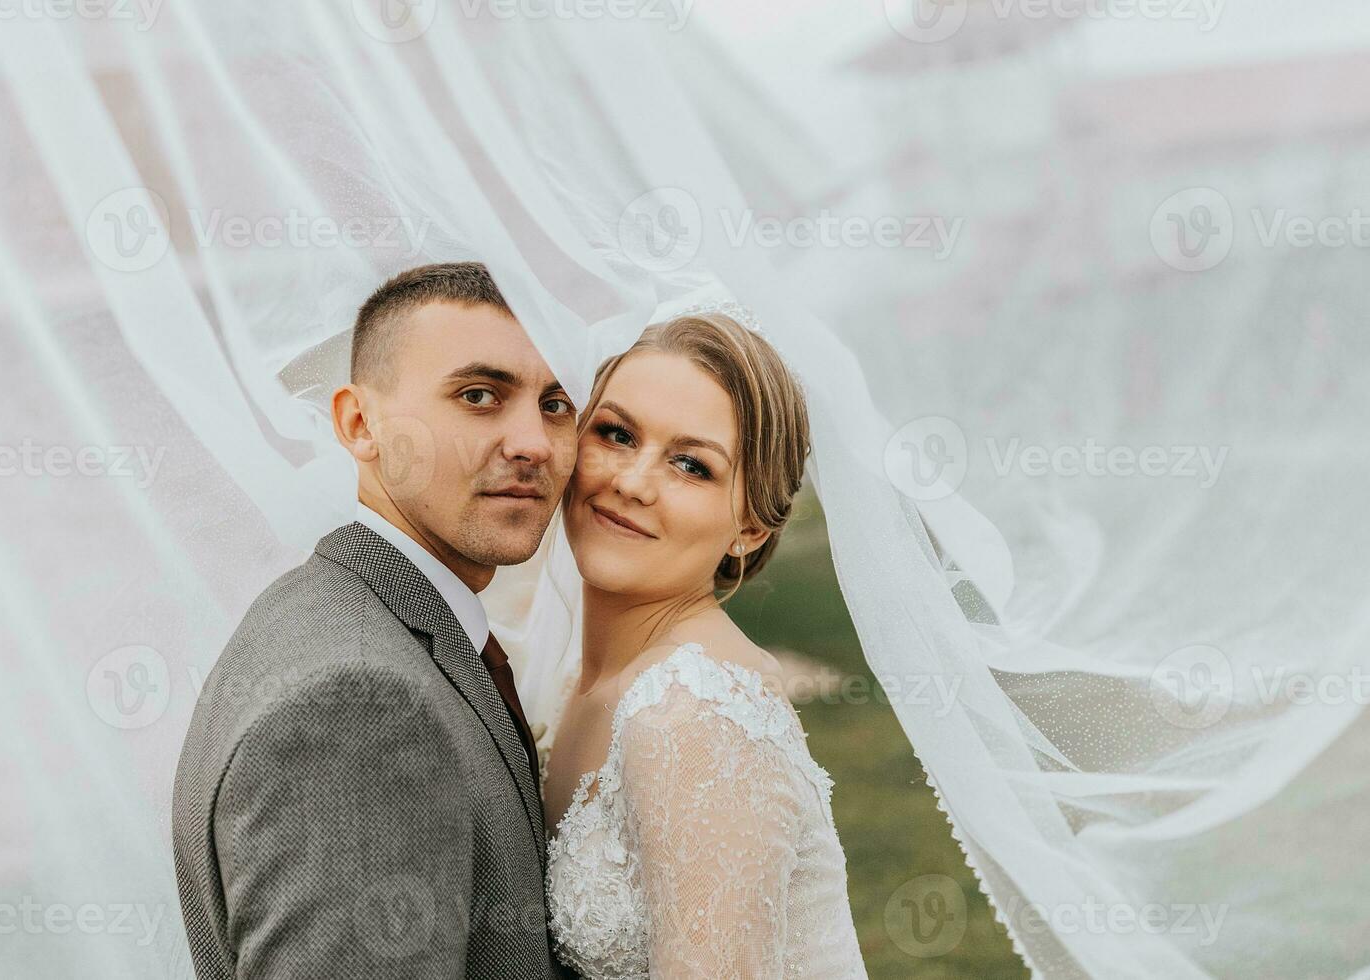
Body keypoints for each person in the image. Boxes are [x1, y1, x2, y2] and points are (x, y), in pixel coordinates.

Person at [171, 262, 578, 979]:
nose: (534, 443)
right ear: (360, 424)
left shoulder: (350, 615)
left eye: (556, 404)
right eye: (479, 396)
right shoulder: (353, 706)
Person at [541, 309, 869, 978]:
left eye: (691, 465)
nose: (631, 482)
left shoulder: (692, 713)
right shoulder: (577, 678)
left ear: (748, 526)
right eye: (616, 434)